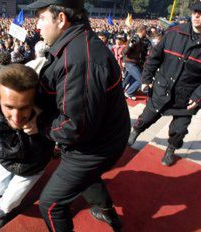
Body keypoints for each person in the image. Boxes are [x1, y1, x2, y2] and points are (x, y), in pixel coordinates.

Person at [27, 1, 131, 231]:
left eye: (42, 18)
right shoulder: (75, 44)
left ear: (61, 19)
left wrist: (40, 125)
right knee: (87, 178)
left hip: (95, 146)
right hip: (99, 138)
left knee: (50, 205)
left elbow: (76, 127)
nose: (37, 26)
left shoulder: (79, 58)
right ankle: (108, 213)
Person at [128, 0, 201, 166]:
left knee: (179, 130)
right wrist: (146, 79)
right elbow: (154, 57)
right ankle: (136, 131)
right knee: (146, 117)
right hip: (162, 88)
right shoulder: (174, 32)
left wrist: (200, 96)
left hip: (187, 96)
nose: (196, 15)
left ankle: (171, 148)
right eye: (194, 10)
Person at [0, 64, 53, 231]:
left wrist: (42, 125)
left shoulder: (49, 109)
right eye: (9, 107)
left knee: (10, 200)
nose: (16, 118)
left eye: (24, 108)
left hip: (33, 164)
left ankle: (1, 214)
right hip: (6, 157)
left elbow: (66, 128)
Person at [123, 25, 150, 100]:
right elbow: (125, 51)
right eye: (146, 31)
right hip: (130, 63)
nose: (146, 33)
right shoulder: (135, 38)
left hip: (133, 63)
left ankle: (120, 92)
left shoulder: (140, 39)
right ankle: (129, 92)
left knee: (127, 79)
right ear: (143, 31)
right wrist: (125, 59)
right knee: (140, 80)